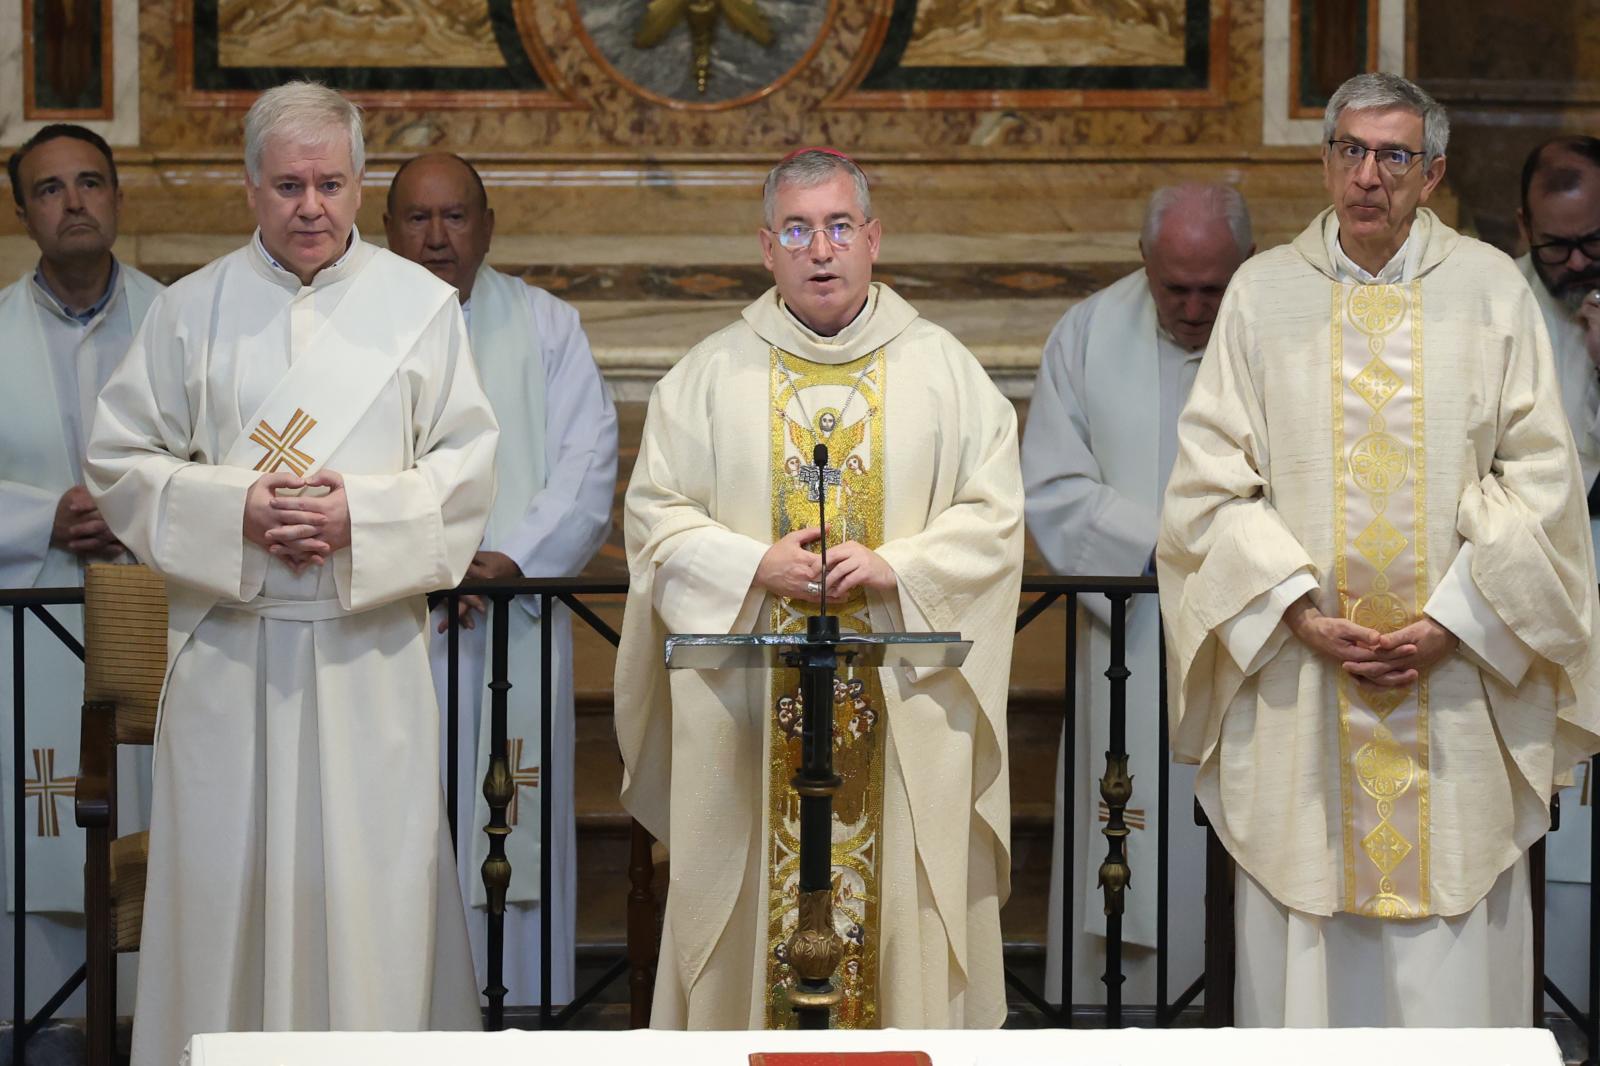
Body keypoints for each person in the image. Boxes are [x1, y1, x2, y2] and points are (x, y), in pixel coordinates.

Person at [1158, 72, 1600, 1026]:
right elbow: (1208, 486)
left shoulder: (1490, 290)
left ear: (1432, 174)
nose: (1369, 176)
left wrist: (1456, 619)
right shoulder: (1263, 296)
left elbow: (1543, 480)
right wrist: (1297, 613)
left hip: (1457, 685)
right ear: (1326, 163)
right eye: (1351, 152)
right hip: (1303, 687)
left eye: (1394, 156)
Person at [84, 82, 498, 1065]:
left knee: (372, 892)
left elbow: (468, 463)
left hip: (367, 651)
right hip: (231, 651)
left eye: (330, 184)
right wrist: (238, 508)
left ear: (359, 186)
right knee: (226, 892)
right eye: (287, 186)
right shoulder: (189, 312)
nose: (310, 207)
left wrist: (362, 515)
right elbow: (119, 459)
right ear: (249, 189)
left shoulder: (419, 310)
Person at [614, 148, 1023, 1028]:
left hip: (898, 719)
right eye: (797, 231)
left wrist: (899, 568)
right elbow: (654, 522)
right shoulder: (707, 377)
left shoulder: (944, 373)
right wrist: (750, 567)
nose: (821, 249)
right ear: (767, 248)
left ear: (874, 239)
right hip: (749, 722)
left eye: (839, 226)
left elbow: (995, 520)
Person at [384, 152, 618, 1007]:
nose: (437, 237)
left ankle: (517, 1013)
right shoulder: (351, 331)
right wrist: (422, 558)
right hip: (394, 626)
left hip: (511, 621)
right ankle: (402, 1018)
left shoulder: (546, 325)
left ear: (486, 227)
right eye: (417, 218)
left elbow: (587, 459)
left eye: (454, 216)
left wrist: (513, 558)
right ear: (387, 231)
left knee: (510, 818)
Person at [1020, 182, 1253, 1006]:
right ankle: (1117, 1016)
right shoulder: (1088, 335)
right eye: (1173, 288)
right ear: (1143, 262)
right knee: (1133, 817)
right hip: (1131, 629)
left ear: (1247, 265)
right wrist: (1172, 552)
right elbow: (1052, 488)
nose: (1192, 310)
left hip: (1254, 630)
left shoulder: (1281, 333)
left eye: (1213, 290)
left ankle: (1243, 1012)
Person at [0, 123, 161, 1007]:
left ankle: (153, 1022)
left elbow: (226, 461)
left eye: (91, 182)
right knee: (36, 826)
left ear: (118, 197)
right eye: (50, 188)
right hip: (26, 621)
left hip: (156, 613)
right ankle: (38, 1022)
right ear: (23, 214)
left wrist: (134, 507)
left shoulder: (179, 324)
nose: (74, 203)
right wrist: (44, 517)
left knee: (158, 820)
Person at [1516, 136, 1600, 545]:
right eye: (1555, 246)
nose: (1577, 262)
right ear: (1525, 228)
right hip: (1529, 541)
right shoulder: (1496, 299)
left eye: (1593, 241)